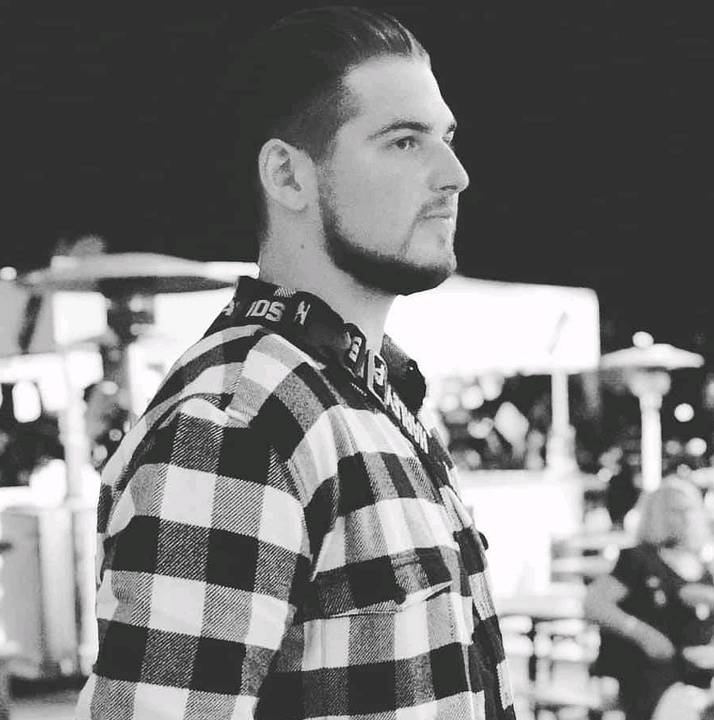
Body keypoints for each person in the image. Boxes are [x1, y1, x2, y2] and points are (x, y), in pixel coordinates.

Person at [76, 6, 515, 719]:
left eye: (448, 138)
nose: (455, 174)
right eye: (405, 142)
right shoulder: (238, 425)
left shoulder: (365, 399)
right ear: (288, 175)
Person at [585, 476, 714, 720]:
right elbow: (594, 604)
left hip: (702, 674)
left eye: (689, 509)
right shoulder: (639, 560)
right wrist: (642, 633)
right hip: (651, 675)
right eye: (675, 511)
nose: (684, 517)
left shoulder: (703, 565)